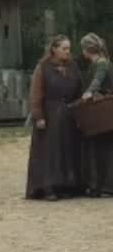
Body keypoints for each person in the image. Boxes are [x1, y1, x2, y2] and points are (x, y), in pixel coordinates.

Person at [25, 35, 84, 201]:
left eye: (69, 48)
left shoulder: (73, 66)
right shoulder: (43, 67)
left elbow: (79, 90)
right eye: (64, 48)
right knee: (50, 152)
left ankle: (65, 185)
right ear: (54, 49)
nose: (68, 51)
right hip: (49, 114)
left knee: (67, 150)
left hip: (69, 114)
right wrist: (38, 116)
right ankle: (48, 187)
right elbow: (36, 93)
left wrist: (79, 109)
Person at [78, 33, 113, 197]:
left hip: (102, 111)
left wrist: (89, 92)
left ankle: (104, 186)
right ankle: (100, 185)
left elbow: (97, 81)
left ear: (87, 49)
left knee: (102, 149)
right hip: (103, 111)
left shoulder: (102, 63)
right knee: (102, 148)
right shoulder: (102, 62)